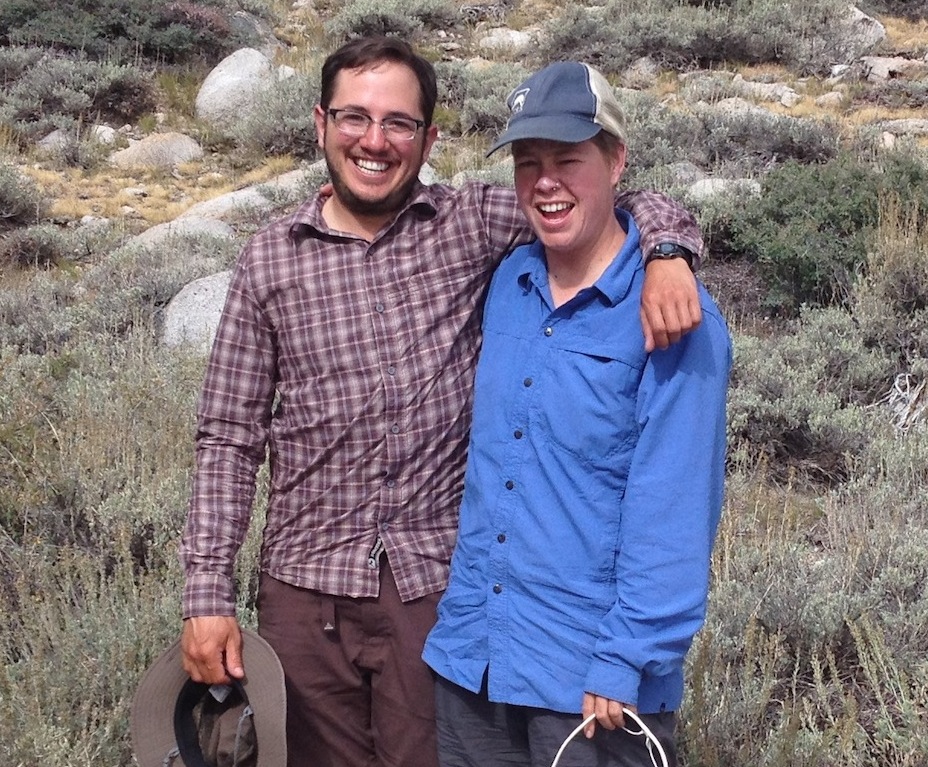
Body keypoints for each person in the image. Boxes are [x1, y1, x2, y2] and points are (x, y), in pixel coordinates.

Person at [179, 37, 705, 767]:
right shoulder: (270, 257)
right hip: (304, 592)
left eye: (398, 122)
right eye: (353, 117)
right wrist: (207, 592)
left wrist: (671, 251)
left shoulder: (469, 225)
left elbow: (605, 201)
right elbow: (228, 437)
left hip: (430, 596)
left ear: (428, 138)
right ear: (319, 124)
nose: (374, 140)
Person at [421, 61, 731, 767]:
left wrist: (627, 656)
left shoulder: (675, 316)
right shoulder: (510, 279)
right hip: (478, 659)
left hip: (593, 686)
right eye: (528, 163)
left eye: (568, 159)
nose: (546, 182)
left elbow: (675, 509)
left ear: (616, 159)